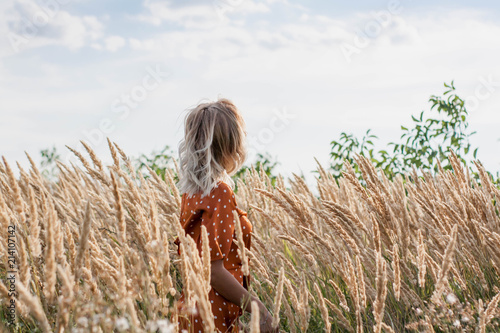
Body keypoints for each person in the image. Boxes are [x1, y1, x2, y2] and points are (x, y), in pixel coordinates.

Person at [175, 98, 277, 333]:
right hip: (212, 312)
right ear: (230, 143)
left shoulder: (191, 193)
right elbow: (212, 269)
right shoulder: (219, 191)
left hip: (193, 308)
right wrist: (259, 308)